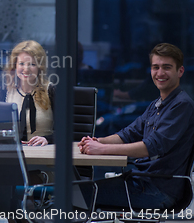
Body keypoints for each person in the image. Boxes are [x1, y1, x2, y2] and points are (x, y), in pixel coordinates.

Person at [79, 43, 194, 210]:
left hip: (158, 191)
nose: (160, 73)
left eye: (167, 67)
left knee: (74, 193)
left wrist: (101, 149)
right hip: (141, 182)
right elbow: (128, 134)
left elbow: (152, 146)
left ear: (180, 71)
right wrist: (98, 141)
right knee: (76, 192)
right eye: (156, 67)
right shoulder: (157, 104)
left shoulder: (182, 105)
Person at [0, 40, 55, 146]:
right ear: (15, 65)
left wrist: (48, 139)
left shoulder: (51, 90)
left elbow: (66, 128)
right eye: (21, 64)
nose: (26, 69)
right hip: (14, 153)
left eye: (32, 64)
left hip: (45, 153)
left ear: (39, 67)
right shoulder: (5, 90)